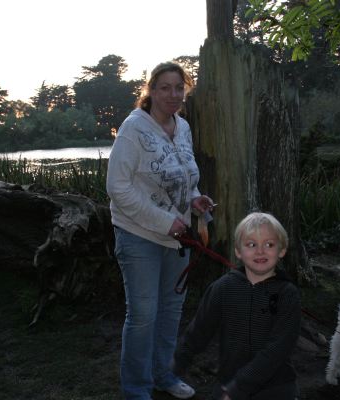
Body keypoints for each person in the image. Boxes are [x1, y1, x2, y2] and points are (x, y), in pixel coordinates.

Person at [106, 61, 215, 400]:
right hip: (138, 235)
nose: (173, 94)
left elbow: (184, 177)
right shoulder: (133, 129)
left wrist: (195, 200)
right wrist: (164, 221)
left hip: (177, 239)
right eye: (165, 87)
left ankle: (163, 376)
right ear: (151, 90)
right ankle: (136, 389)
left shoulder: (183, 127)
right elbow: (117, 187)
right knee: (143, 317)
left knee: (171, 311)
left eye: (179, 87)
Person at [172, 212, 301, 400]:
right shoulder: (222, 288)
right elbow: (199, 330)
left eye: (269, 244)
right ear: (238, 251)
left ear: (282, 250)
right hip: (228, 383)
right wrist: (177, 361)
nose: (260, 251)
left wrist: (239, 386)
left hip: (276, 388)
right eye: (251, 244)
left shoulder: (288, 294)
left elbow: (278, 348)